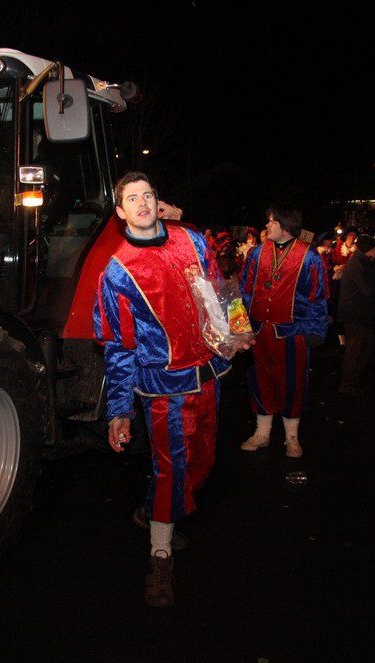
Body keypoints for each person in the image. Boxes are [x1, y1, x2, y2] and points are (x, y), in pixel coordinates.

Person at [94, 171, 243, 608]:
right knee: (170, 468)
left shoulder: (190, 240)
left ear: (158, 201)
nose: (142, 203)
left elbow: (221, 288)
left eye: (148, 195)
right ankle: (160, 556)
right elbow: (119, 349)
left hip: (209, 376)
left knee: (204, 460)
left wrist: (238, 327)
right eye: (132, 198)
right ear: (120, 212)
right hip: (163, 392)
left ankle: (157, 510)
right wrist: (119, 411)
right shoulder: (117, 272)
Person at [238, 205, 328, 456]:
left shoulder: (309, 256)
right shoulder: (257, 252)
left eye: (271, 221)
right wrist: (240, 326)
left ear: (285, 225)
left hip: (292, 334)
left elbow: (318, 297)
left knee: (292, 385)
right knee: (260, 382)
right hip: (258, 333)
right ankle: (262, 433)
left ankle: (292, 437)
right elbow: (244, 289)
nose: (267, 226)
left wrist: (315, 332)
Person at [338, 234, 375, 395]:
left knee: (365, 347)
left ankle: (353, 381)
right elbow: (368, 288)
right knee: (355, 350)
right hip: (355, 314)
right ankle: (348, 385)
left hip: (360, 314)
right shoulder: (358, 265)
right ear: (367, 249)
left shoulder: (362, 263)